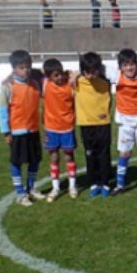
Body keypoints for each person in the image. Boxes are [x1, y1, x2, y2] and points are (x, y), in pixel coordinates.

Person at [0, 50, 44, 206]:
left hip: (33, 130)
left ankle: (31, 188)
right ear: (14, 68)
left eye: (28, 67)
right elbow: (2, 110)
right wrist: (6, 131)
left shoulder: (35, 83)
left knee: (35, 160)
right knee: (16, 162)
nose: (26, 70)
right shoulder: (8, 86)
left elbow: (47, 72)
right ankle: (20, 193)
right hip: (17, 131)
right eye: (22, 67)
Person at [106, 49, 137, 197]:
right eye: (125, 65)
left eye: (132, 64)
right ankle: (120, 185)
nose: (129, 68)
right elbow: (96, 67)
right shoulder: (116, 75)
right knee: (124, 153)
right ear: (120, 67)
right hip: (125, 119)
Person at [74, 52, 112, 197]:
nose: (91, 74)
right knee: (90, 154)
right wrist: (76, 73)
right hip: (86, 124)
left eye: (94, 70)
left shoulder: (105, 81)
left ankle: (106, 182)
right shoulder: (77, 82)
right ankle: (94, 182)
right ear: (82, 70)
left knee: (104, 154)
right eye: (87, 71)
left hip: (103, 123)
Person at [41, 58, 78, 201]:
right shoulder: (46, 85)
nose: (60, 77)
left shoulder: (70, 86)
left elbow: (77, 73)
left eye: (61, 74)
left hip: (67, 128)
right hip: (51, 128)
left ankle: (72, 186)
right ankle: (55, 188)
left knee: (69, 156)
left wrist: (72, 75)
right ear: (49, 77)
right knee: (54, 157)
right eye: (56, 75)